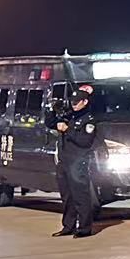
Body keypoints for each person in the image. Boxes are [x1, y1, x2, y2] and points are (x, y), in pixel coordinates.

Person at [53, 86, 102, 238]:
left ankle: (84, 228)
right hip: (64, 161)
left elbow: (84, 141)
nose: (74, 104)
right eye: (72, 101)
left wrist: (67, 130)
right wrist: (52, 110)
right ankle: (68, 226)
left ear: (85, 102)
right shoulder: (70, 116)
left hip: (78, 161)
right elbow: (50, 122)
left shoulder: (89, 120)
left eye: (77, 102)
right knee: (67, 196)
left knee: (80, 195)